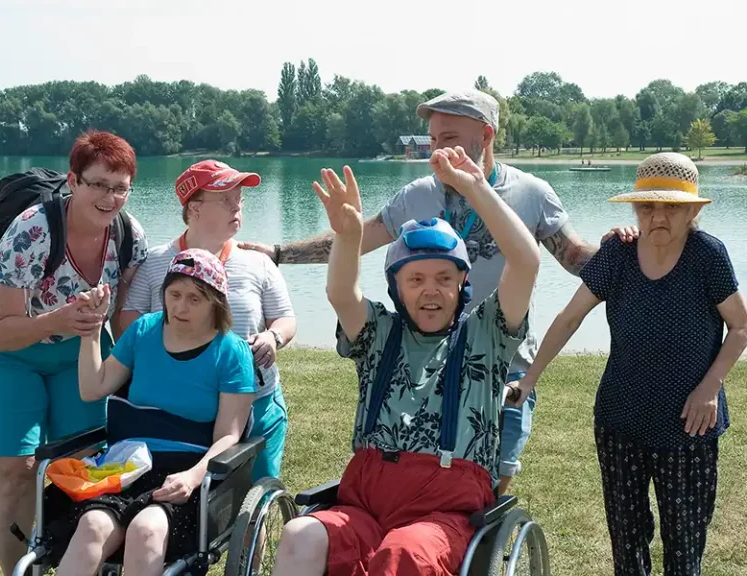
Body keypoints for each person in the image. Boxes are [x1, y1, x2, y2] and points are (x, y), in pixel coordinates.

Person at [239, 89, 635, 494]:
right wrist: (279, 253)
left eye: (448, 138)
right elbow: (355, 237)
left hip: (500, 361)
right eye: (432, 139)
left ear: (485, 135)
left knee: (488, 484)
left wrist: (628, 251)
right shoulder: (416, 195)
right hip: (421, 357)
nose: (436, 149)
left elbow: (573, 257)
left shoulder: (531, 193)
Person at [273, 145, 540, 576]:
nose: (430, 290)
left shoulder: (487, 334)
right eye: (415, 279)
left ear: (463, 283)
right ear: (396, 287)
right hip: (366, 500)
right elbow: (341, 294)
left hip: (446, 509)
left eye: (444, 278)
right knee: (301, 533)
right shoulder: (379, 333)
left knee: (404, 552)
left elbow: (525, 262)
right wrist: (348, 237)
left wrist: (476, 188)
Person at [509, 153, 747, 576]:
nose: (658, 217)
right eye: (647, 207)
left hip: (689, 423)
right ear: (635, 209)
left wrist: (710, 386)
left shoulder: (707, 255)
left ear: (692, 212)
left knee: (684, 544)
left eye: (672, 207)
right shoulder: (617, 254)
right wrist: (530, 377)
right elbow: (569, 318)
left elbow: (741, 327)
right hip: (621, 420)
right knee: (627, 542)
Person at [0, 131, 148, 575]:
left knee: (84, 464)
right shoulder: (32, 231)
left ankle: (78, 561)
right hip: (12, 349)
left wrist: (137, 369)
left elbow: (122, 320)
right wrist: (58, 320)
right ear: (73, 181)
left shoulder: (129, 236)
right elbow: (1, 333)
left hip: (79, 350)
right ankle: (21, 571)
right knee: (16, 470)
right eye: (98, 184)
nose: (109, 198)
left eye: (120, 188)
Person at [47, 249, 256, 576]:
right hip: (126, 466)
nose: (180, 307)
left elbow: (229, 435)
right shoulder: (144, 330)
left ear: (216, 302)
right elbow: (93, 388)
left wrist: (192, 477)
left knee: (146, 530)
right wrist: (91, 331)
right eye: (174, 294)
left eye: (195, 299)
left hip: (186, 471)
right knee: (92, 526)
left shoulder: (231, 352)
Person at [120, 159, 295, 481]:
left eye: (239, 199)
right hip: (180, 411)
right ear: (195, 208)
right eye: (226, 199)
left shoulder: (258, 262)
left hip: (256, 403)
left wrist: (274, 337)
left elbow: (284, 318)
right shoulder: (156, 262)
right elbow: (129, 326)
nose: (237, 206)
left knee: (256, 491)